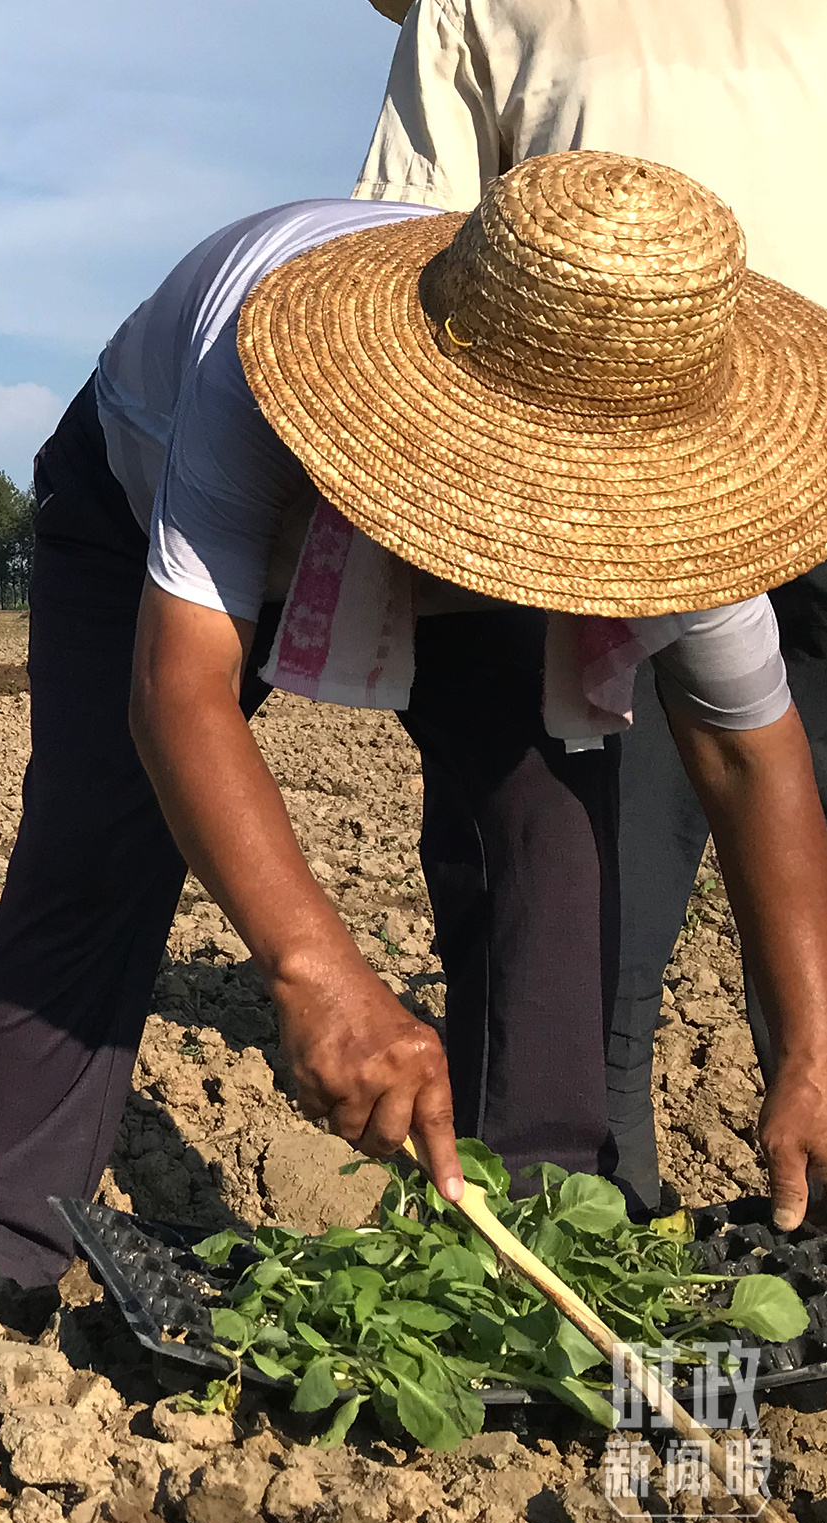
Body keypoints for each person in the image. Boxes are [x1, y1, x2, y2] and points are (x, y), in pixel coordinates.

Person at [0, 152, 827, 1290]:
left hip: (481, 559)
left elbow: (748, 752)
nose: (563, 502)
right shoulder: (262, 362)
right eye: (541, 475)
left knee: (551, 828)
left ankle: (540, 1252)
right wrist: (317, 974)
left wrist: (810, 1042)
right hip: (140, 503)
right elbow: (177, 692)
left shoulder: (683, 469)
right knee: (97, 836)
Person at [352, 0, 827, 1215]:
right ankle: (608, 1226)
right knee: (603, 868)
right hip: (686, 440)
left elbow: (405, 258)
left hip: (658, 451)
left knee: (582, 878)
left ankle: (592, 1222)